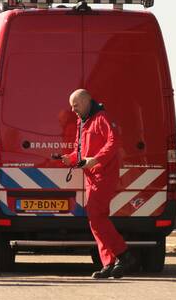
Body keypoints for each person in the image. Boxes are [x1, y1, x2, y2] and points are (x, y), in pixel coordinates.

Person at [55, 89, 139, 279]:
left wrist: (96, 160)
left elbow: (113, 142)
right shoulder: (82, 122)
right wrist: (70, 158)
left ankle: (124, 255)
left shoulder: (102, 118)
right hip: (92, 176)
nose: (73, 109)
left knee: (96, 217)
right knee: (96, 218)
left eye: (75, 105)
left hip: (104, 174)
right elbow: (80, 152)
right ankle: (109, 262)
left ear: (86, 102)